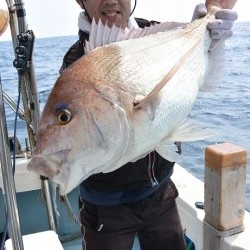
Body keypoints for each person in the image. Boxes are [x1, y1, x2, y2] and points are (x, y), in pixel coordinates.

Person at [59, 1, 237, 249]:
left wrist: (211, 40)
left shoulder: (157, 33)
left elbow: (208, 82)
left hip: (160, 194)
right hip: (106, 208)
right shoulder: (77, 63)